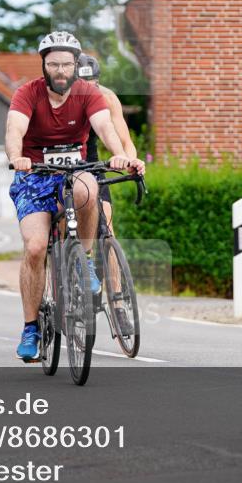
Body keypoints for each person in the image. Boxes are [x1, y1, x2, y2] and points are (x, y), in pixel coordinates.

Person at [5, 31, 145, 362]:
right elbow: (14, 130)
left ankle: (83, 261)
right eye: (53, 64)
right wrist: (17, 156)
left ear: (75, 64)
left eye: (67, 64)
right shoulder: (27, 94)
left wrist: (122, 155)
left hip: (76, 169)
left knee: (88, 187)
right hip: (35, 174)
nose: (61, 70)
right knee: (36, 247)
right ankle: (30, 328)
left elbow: (107, 129)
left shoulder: (92, 94)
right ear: (44, 66)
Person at [77, 53, 140, 336]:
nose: (89, 89)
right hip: (62, 163)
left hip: (92, 162)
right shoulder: (62, 99)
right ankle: (72, 276)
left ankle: (117, 303)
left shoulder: (107, 97)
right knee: (66, 226)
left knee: (107, 224)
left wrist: (130, 161)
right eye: (83, 83)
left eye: (94, 83)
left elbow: (124, 139)